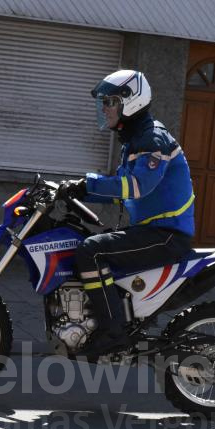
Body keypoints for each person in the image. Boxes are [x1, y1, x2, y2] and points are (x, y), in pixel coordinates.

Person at [59, 70, 195, 355]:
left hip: (167, 235)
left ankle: (113, 331)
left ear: (130, 101)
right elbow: (120, 191)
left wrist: (89, 183)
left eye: (110, 101)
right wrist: (75, 190)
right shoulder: (135, 140)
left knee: (91, 252)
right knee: (86, 243)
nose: (105, 108)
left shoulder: (152, 139)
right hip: (151, 231)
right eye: (104, 102)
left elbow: (136, 186)